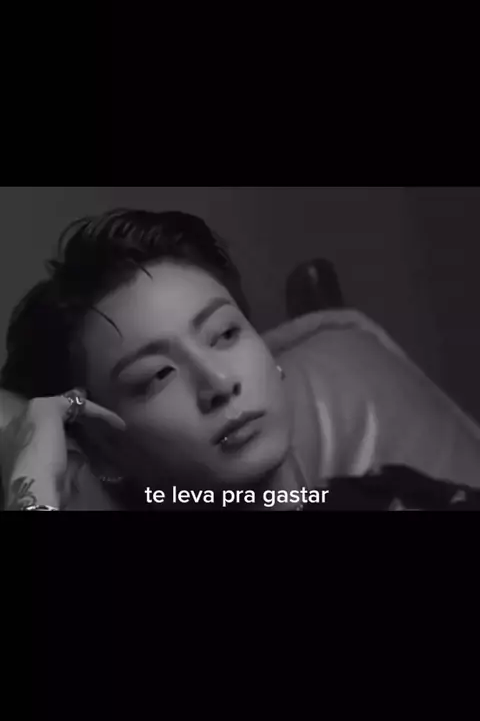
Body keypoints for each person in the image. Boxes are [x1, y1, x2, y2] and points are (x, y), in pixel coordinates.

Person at [1, 208, 480, 511]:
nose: (217, 382)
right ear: (107, 451)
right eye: (157, 376)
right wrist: (31, 472)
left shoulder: (393, 497)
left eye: (225, 334)